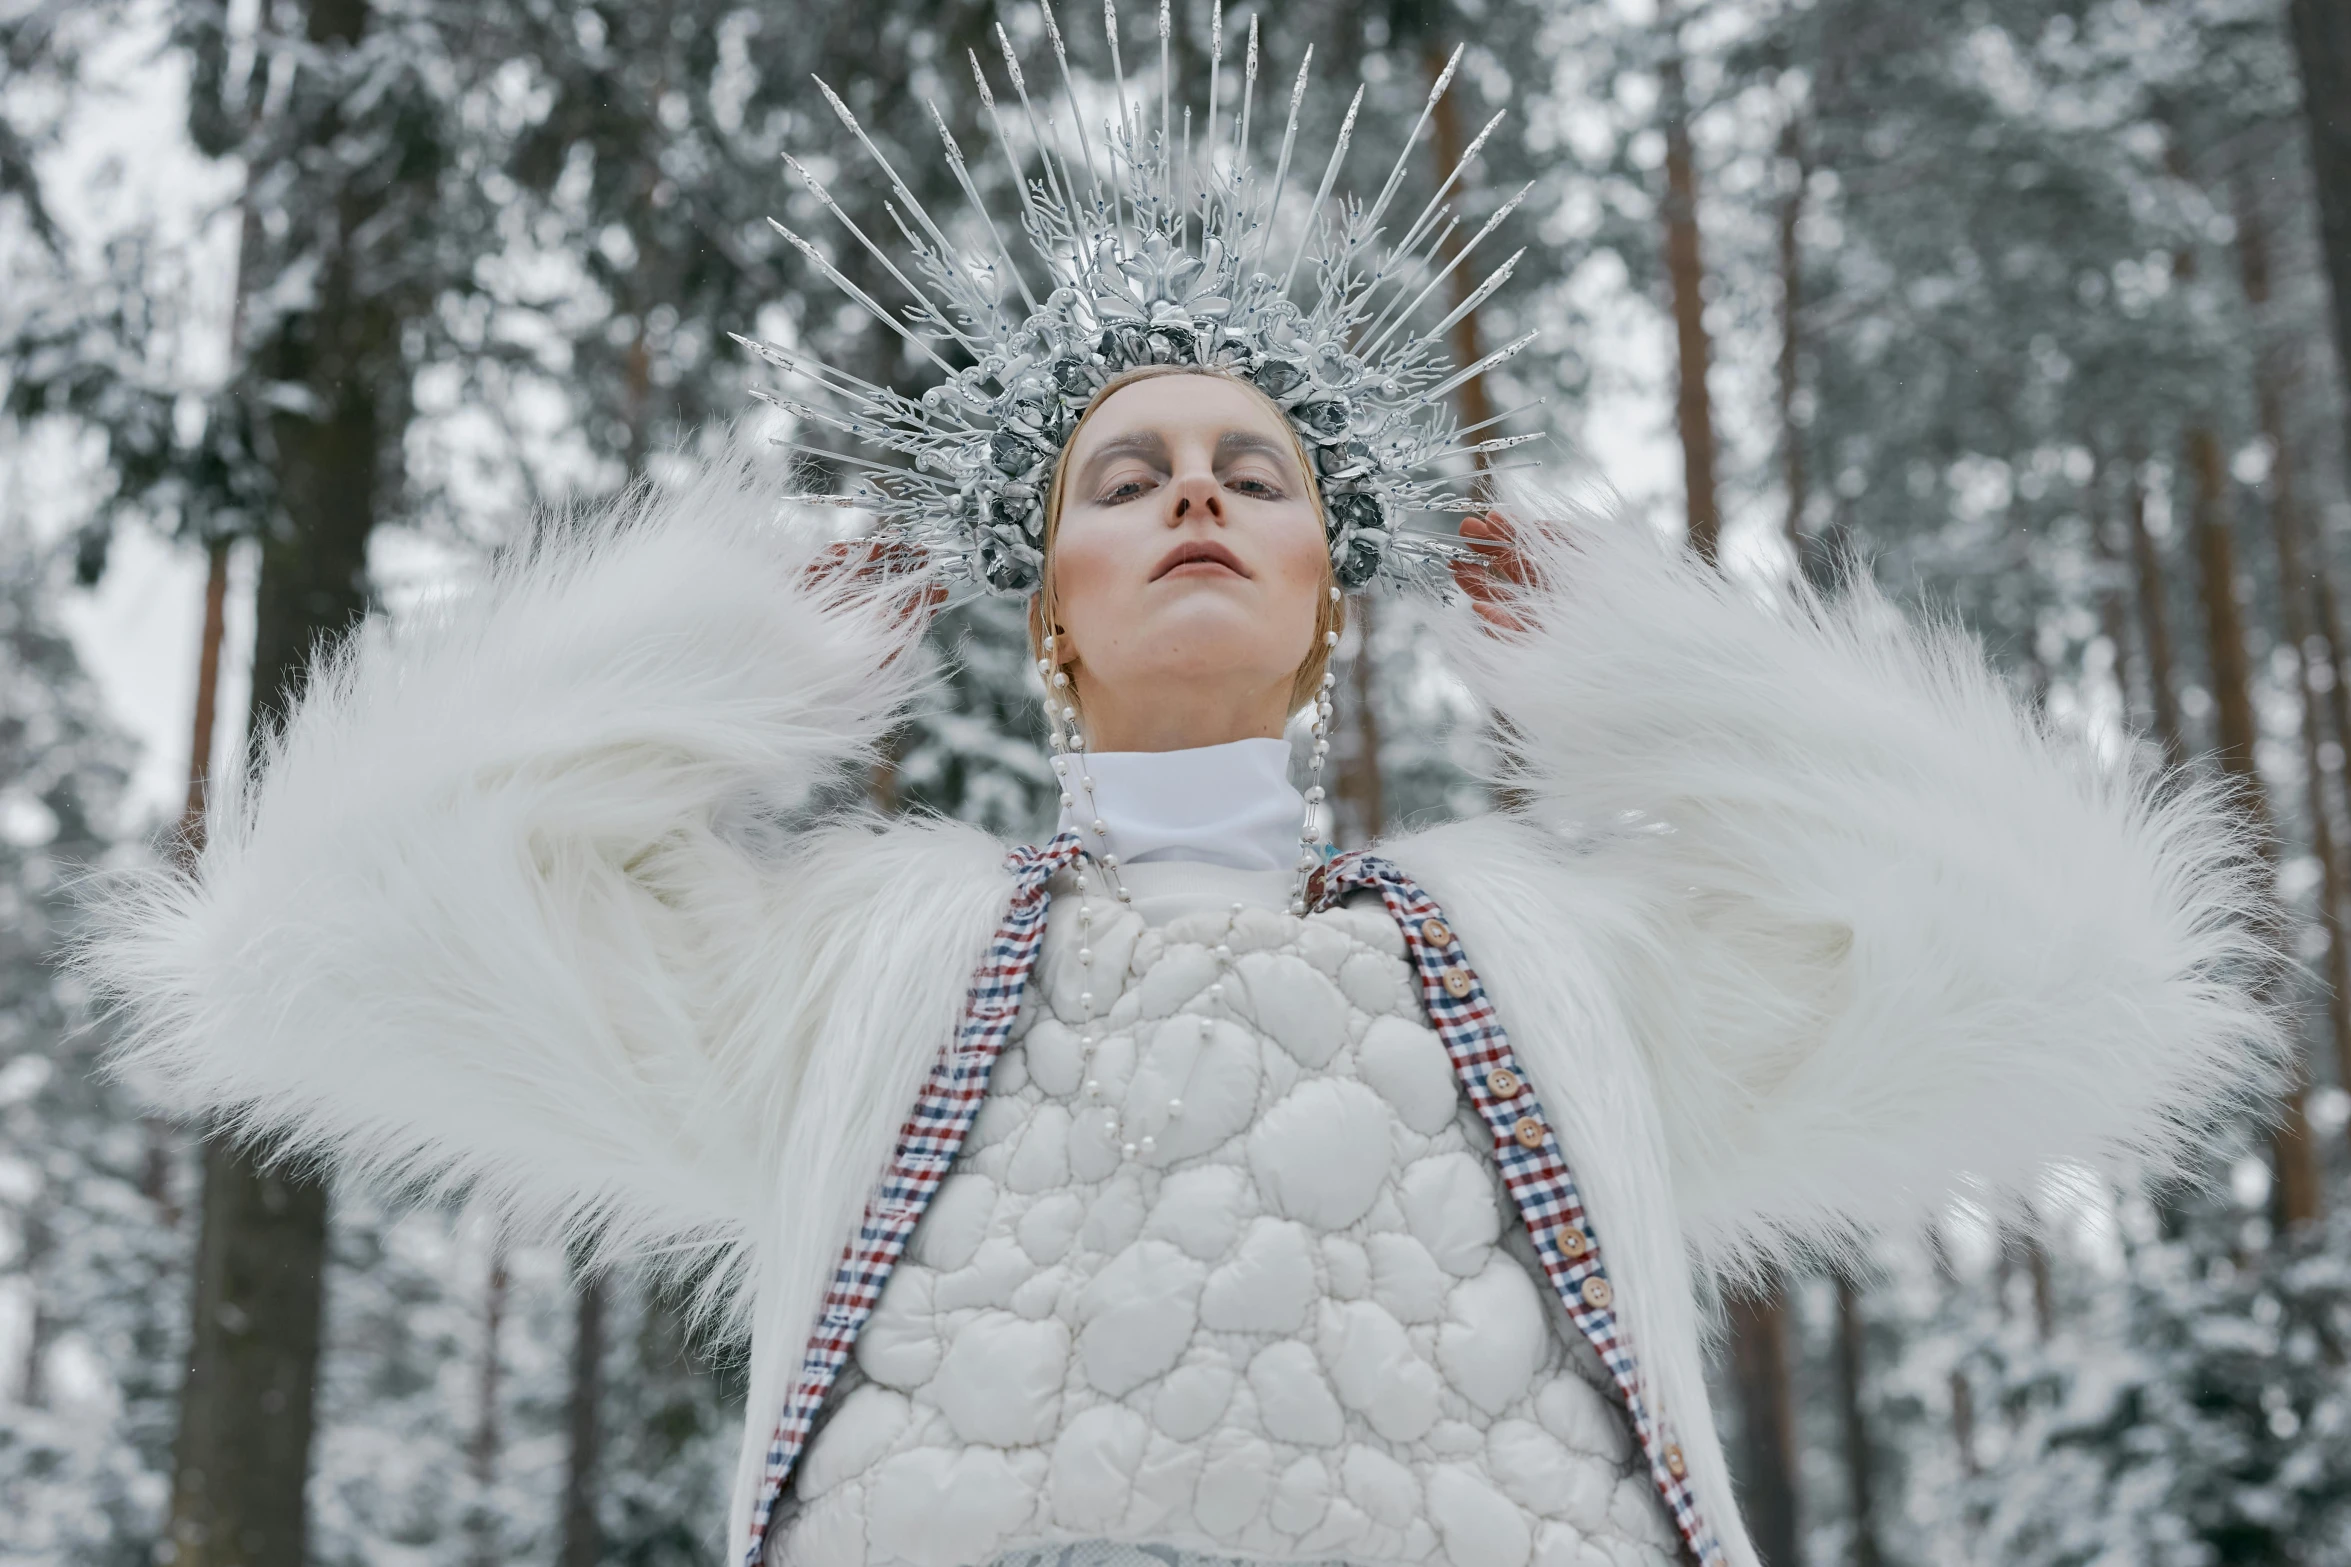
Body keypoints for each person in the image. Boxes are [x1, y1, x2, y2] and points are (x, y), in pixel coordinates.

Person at [88, 13, 2280, 1567]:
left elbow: (2076, 984)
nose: (1198, 499)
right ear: (1048, 603)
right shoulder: (841, 973)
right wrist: (702, 652)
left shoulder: (1556, 960)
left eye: (1256, 471)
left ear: (1330, 592)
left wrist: (1674, 679)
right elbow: (313, 954)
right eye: (1125, 476)